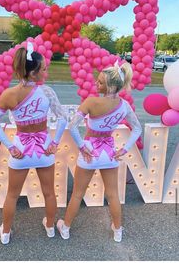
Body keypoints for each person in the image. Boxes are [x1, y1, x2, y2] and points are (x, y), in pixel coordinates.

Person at [0, 42, 67, 244]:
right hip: (44, 149)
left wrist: (11, 146)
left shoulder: (8, 95)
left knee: (12, 195)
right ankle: (50, 227)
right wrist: (55, 142)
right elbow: (63, 118)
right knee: (49, 192)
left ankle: (5, 233)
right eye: (43, 69)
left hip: (21, 151)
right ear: (33, 73)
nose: (46, 72)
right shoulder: (47, 92)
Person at [57, 61, 142, 242]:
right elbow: (137, 129)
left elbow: (72, 127)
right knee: (113, 194)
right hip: (110, 154)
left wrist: (82, 146)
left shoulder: (91, 102)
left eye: (101, 82)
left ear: (111, 86)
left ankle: (65, 227)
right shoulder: (124, 105)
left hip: (90, 153)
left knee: (78, 193)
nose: (97, 84)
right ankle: (118, 230)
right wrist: (124, 149)